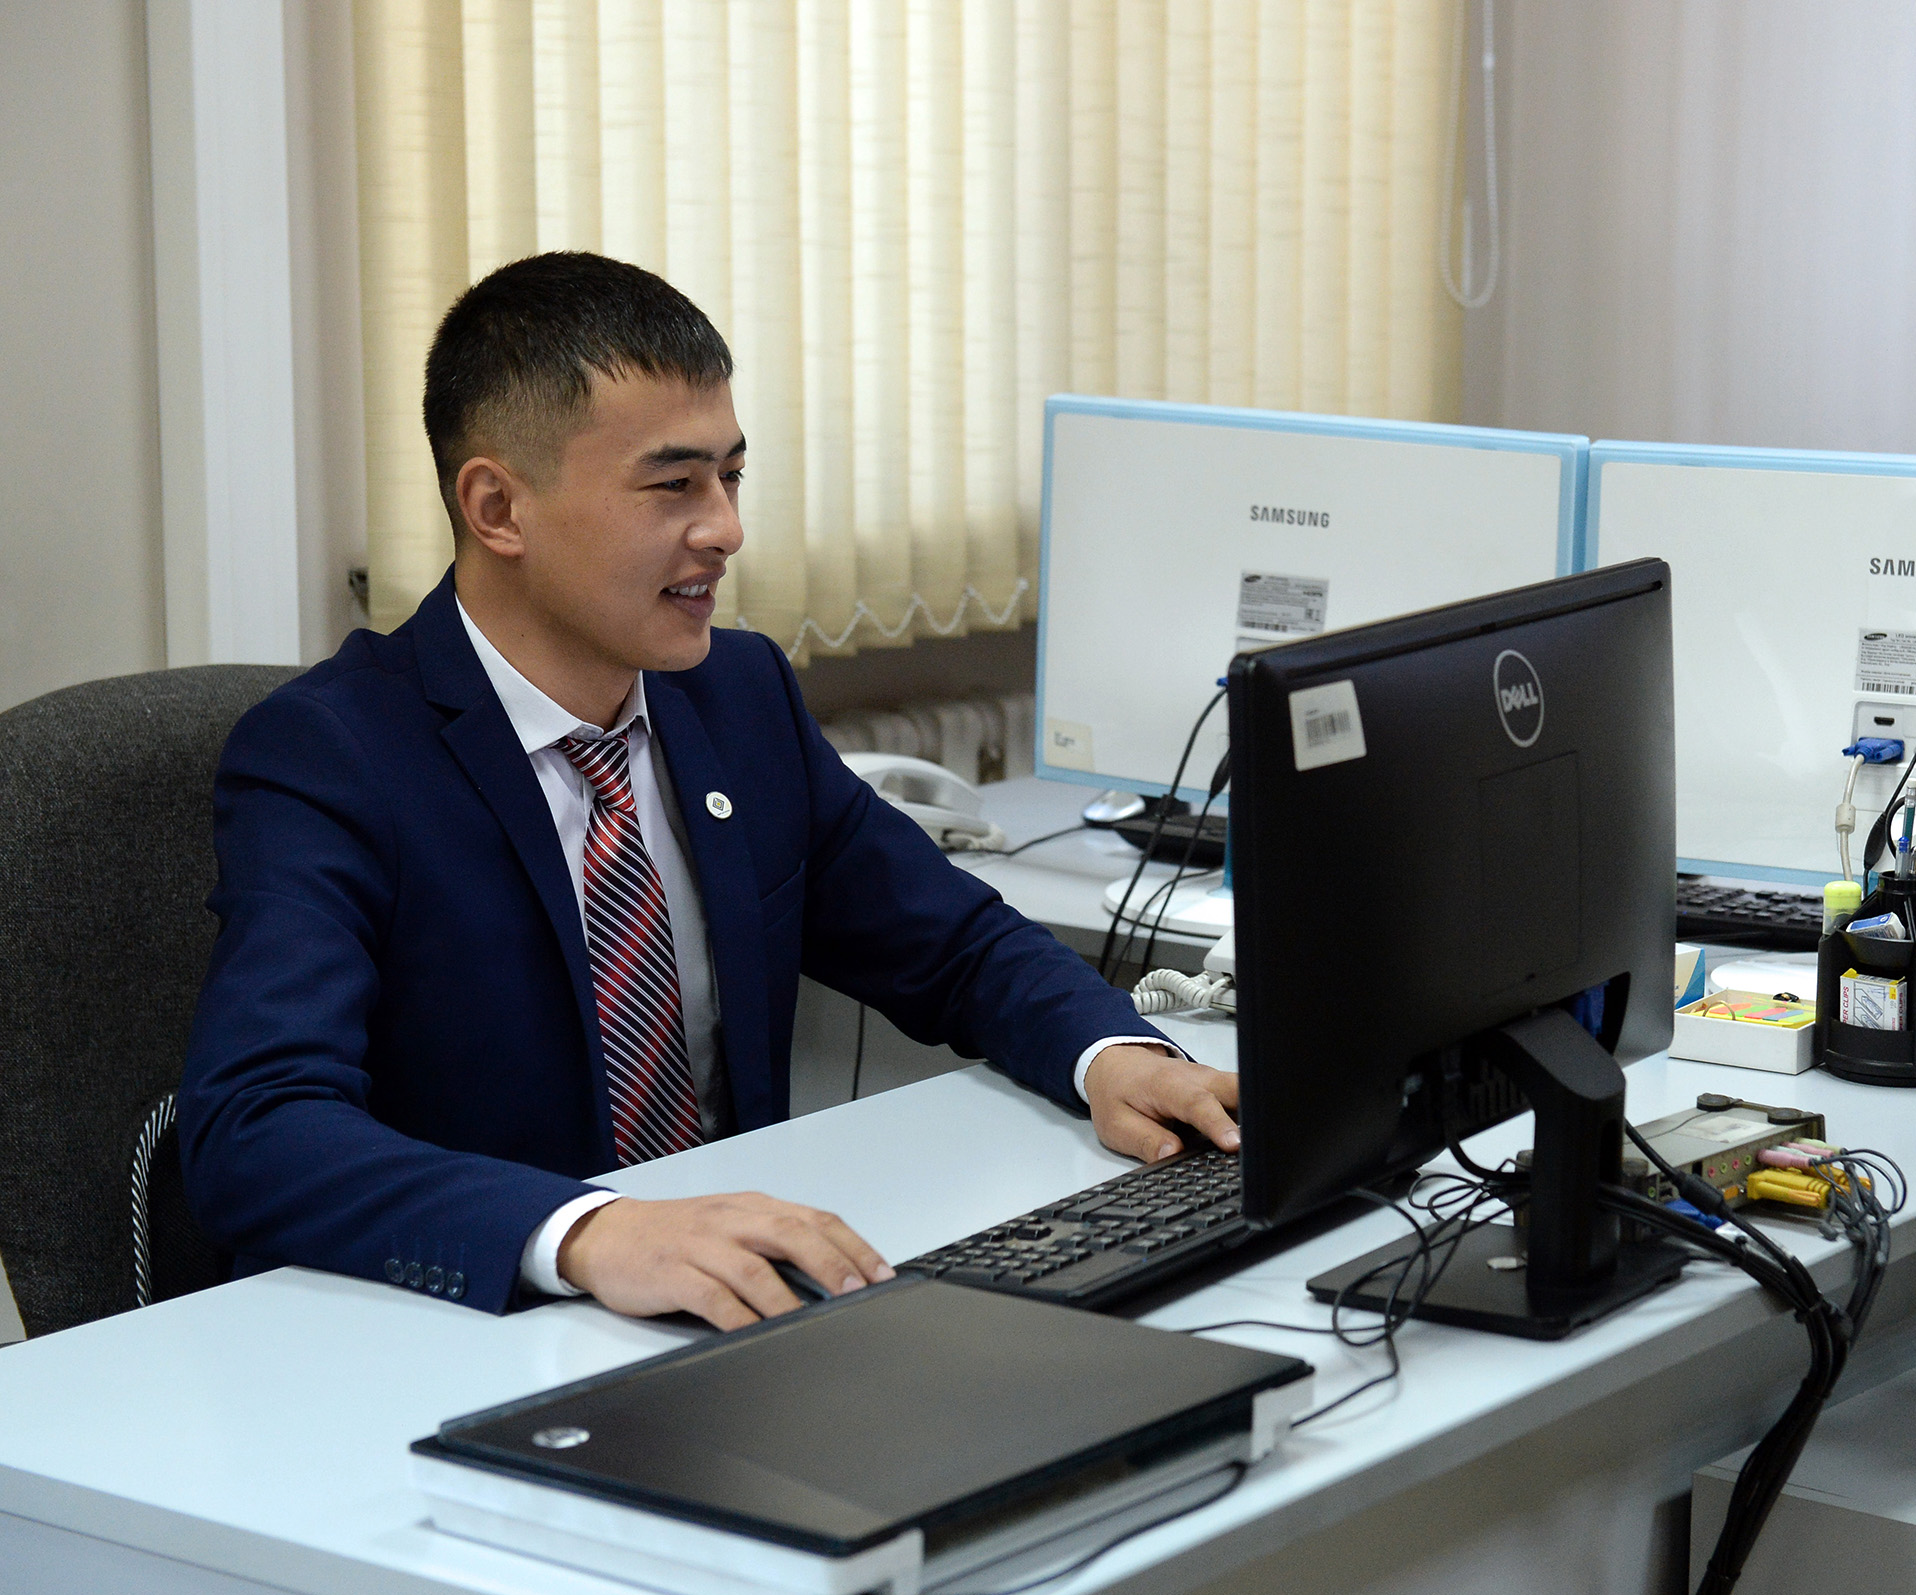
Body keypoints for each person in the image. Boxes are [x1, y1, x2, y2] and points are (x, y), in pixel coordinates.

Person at [180, 252, 1238, 1331]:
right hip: (465, 1328)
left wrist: (1109, 1053)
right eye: (674, 484)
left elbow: (952, 942)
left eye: (732, 476)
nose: (725, 527)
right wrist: (585, 1229)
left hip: (729, 1311)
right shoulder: (333, 754)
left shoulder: (736, 694)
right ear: (498, 507)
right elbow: (257, 1129)